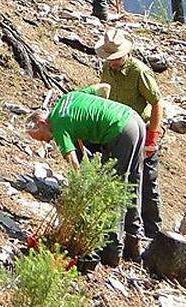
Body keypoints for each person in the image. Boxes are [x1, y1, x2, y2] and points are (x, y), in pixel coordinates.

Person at [27, 85, 145, 265]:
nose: (46, 142)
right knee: (133, 183)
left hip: (119, 130)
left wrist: (83, 189)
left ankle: (112, 252)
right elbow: (104, 88)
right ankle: (134, 240)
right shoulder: (68, 98)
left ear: (43, 123)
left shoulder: (58, 126)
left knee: (113, 188)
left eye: (42, 138)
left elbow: (74, 163)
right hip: (134, 119)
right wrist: (100, 116)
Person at [95, 29, 164, 241]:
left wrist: (152, 137)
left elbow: (156, 103)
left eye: (116, 58)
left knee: (147, 181)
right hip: (118, 131)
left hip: (141, 130)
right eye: (110, 59)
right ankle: (126, 228)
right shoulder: (107, 68)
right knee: (121, 177)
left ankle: (153, 233)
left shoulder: (139, 72)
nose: (113, 62)